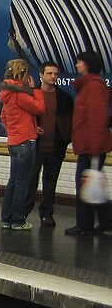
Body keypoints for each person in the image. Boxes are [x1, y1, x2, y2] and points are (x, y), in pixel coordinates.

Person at [65, 51, 112, 235]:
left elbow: (96, 119)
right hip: (90, 144)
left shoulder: (94, 87)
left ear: (87, 64)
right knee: (93, 184)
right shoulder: (90, 86)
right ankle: (106, 222)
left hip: (91, 146)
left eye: (79, 62)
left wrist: (93, 147)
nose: (76, 65)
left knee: (85, 184)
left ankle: (85, 225)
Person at [23, 61, 73, 227]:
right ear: (41, 75)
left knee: (50, 183)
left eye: (55, 74)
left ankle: (46, 213)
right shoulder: (32, 95)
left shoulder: (64, 98)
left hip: (56, 148)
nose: (53, 77)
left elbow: (68, 121)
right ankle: (23, 212)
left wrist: (66, 139)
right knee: (30, 182)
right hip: (35, 147)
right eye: (50, 73)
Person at [0, 59, 45, 230]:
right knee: (22, 182)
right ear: (23, 74)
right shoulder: (20, 93)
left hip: (14, 141)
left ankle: (6, 218)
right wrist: (35, 90)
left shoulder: (7, 94)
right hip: (25, 143)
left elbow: (4, 117)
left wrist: (29, 127)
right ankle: (18, 220)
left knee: (13, 181)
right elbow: (39, 108)